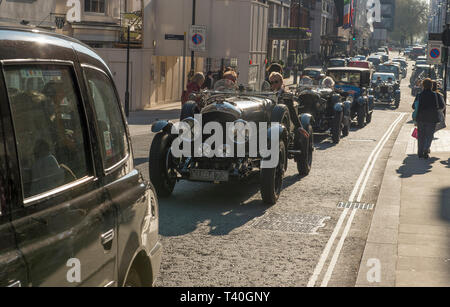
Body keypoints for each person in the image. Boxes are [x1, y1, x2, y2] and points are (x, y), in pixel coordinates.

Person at [412, 78, 445, 159]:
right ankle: (426, 149)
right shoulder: (436, 95)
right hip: (432, 119)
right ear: (431, 86)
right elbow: (441, 106)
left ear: (423, 85)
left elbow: (413, 106)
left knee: (421, 136)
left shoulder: (419, 95)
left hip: (421, 118)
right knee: (429, 135)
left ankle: (420, 152)